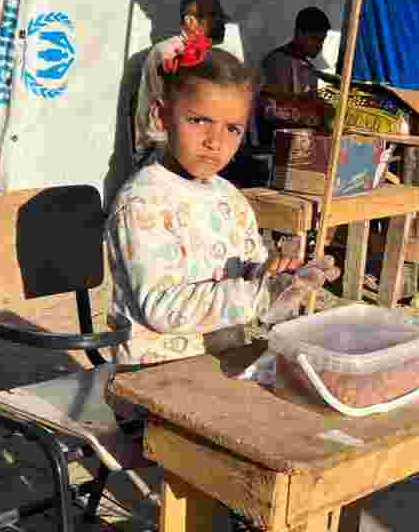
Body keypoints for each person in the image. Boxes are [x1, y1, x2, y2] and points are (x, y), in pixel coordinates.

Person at [105, 38, 341, 531]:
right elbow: (163, 309)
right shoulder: (142, 203)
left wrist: (287, 284)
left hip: (225, 366)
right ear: (161, 115)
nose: (215, 141)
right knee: (271, 451)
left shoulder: (230, 200)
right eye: (199, 121)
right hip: (156, 384)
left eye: (232, 128)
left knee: (321, 428)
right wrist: (259, 293)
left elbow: (255, 298)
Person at [133, 0, 232, 169]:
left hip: (189, 146)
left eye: (220, 21)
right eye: (213, 19)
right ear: (190, 21)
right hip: (162, 148)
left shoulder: (207, 53)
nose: (221, 26)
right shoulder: (169, 52)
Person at [261, 7, 332, 99]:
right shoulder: (277, 61)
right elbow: (275, 105)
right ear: (299, 33)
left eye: (322, 40)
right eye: (314, 39)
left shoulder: (309, 68)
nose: (319, 45)